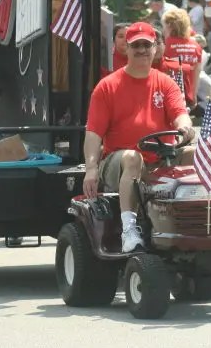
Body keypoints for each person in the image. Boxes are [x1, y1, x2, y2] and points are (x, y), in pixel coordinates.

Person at [83, 22, 194, 253]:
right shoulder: (107, 87)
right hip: (119, 162)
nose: (142, 50)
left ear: (155, 48)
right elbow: (93, 134)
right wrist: (91, 169)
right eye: (136, 45)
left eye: (147, 45)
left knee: (198, 153)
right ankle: (129, 230)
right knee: (133, 158)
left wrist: (184, 127)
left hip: (160, 158)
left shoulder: (165, 83)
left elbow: (180, 114)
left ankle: (196, 221)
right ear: (128, 49)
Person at [161, 8, 203, 107]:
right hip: (188, 95)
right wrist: (193, 95)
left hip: (169, 95)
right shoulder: (196, 46)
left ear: (169, 26)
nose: (163, 30)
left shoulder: (165, 45)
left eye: (163, 26)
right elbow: (196, 73)